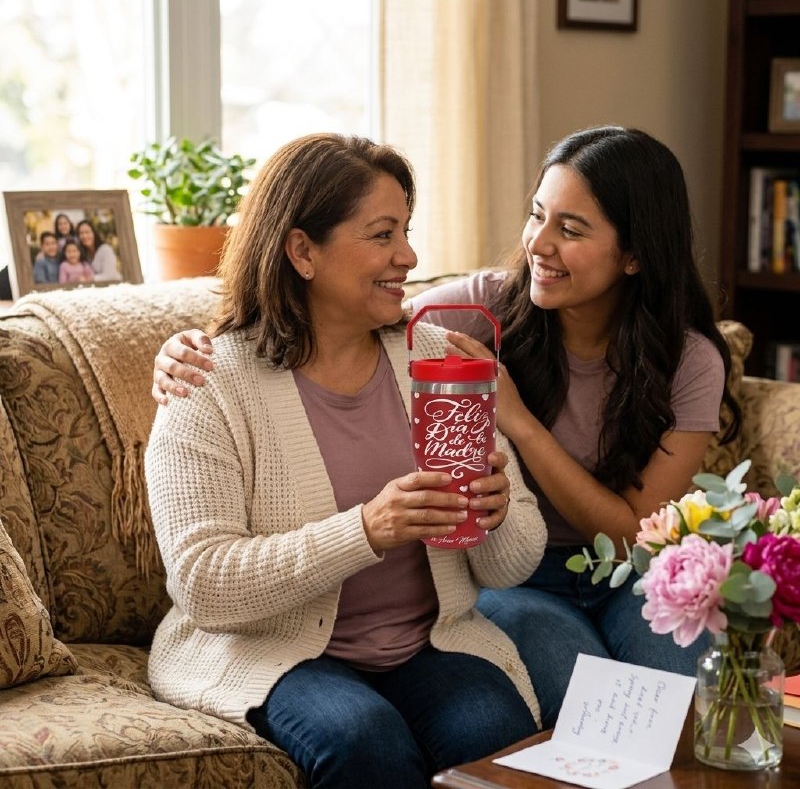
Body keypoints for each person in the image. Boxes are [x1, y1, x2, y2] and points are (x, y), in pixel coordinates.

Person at [149, 126, 743, 729]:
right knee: (591, 709)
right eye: (537, 215)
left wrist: (518, 422)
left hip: (627, 571)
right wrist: (185, 349)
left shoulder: (690, 359)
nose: (538, 244)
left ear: (634, 254)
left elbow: (634, 536)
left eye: (571, 229)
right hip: (521, 581)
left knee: (688, 710)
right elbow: (341, 314)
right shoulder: (483, 310)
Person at [144, 132, 546, 789]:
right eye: (383, 234)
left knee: (495, 732)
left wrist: (496, 517)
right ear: (302, 250)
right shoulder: (207, 380)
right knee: (363, 739)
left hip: (424, 643)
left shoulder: (437, 359)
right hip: (269, 651)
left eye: (407, 231)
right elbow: (202, 583)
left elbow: (512, 565)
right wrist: (366, 530)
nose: (409, 256)